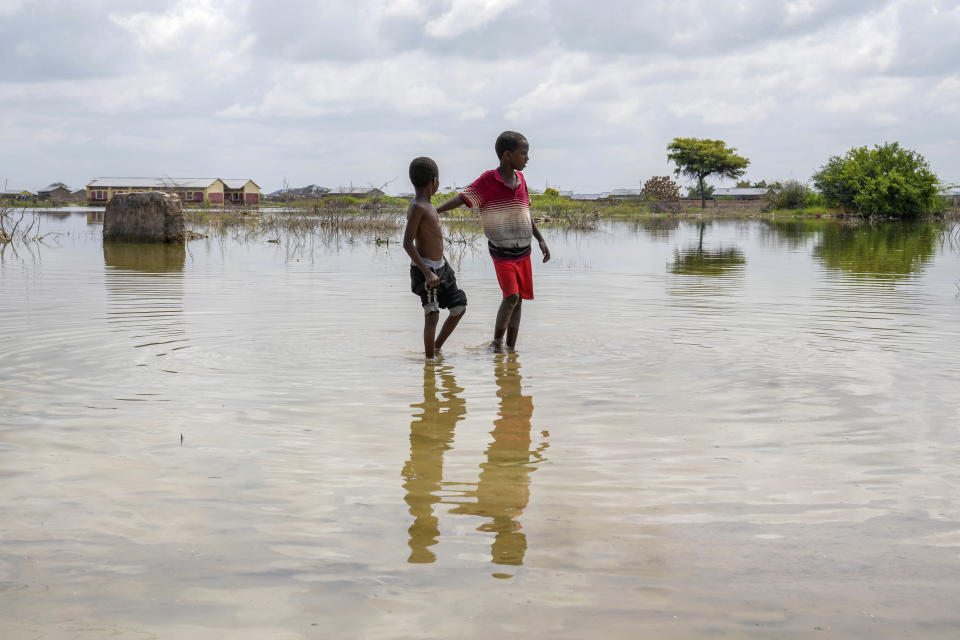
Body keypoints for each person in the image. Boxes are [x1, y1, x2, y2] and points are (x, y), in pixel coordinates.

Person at [436, 131, 550, 352]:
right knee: (511, 297)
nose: (527, 158)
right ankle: (496, 344)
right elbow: (462, 197)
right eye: (523, 153)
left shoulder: (521, 180)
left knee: (519, 300)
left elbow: (525, 212)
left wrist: (541, 239)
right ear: (507, 155)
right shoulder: (489, 180)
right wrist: (435, 210)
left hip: (523, 251)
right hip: (502, 252)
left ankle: (511, 348)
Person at [403, 156, 467, 358]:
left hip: (441, 267)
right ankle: (429, 362)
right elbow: (407, 243)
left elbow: (434, 242)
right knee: (432, 314)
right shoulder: (418, 207)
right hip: (426, 271)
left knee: (459, 306)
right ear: (435, 181)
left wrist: (446, 265)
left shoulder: (430, 207)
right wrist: (427, 273)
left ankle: (437, 348)